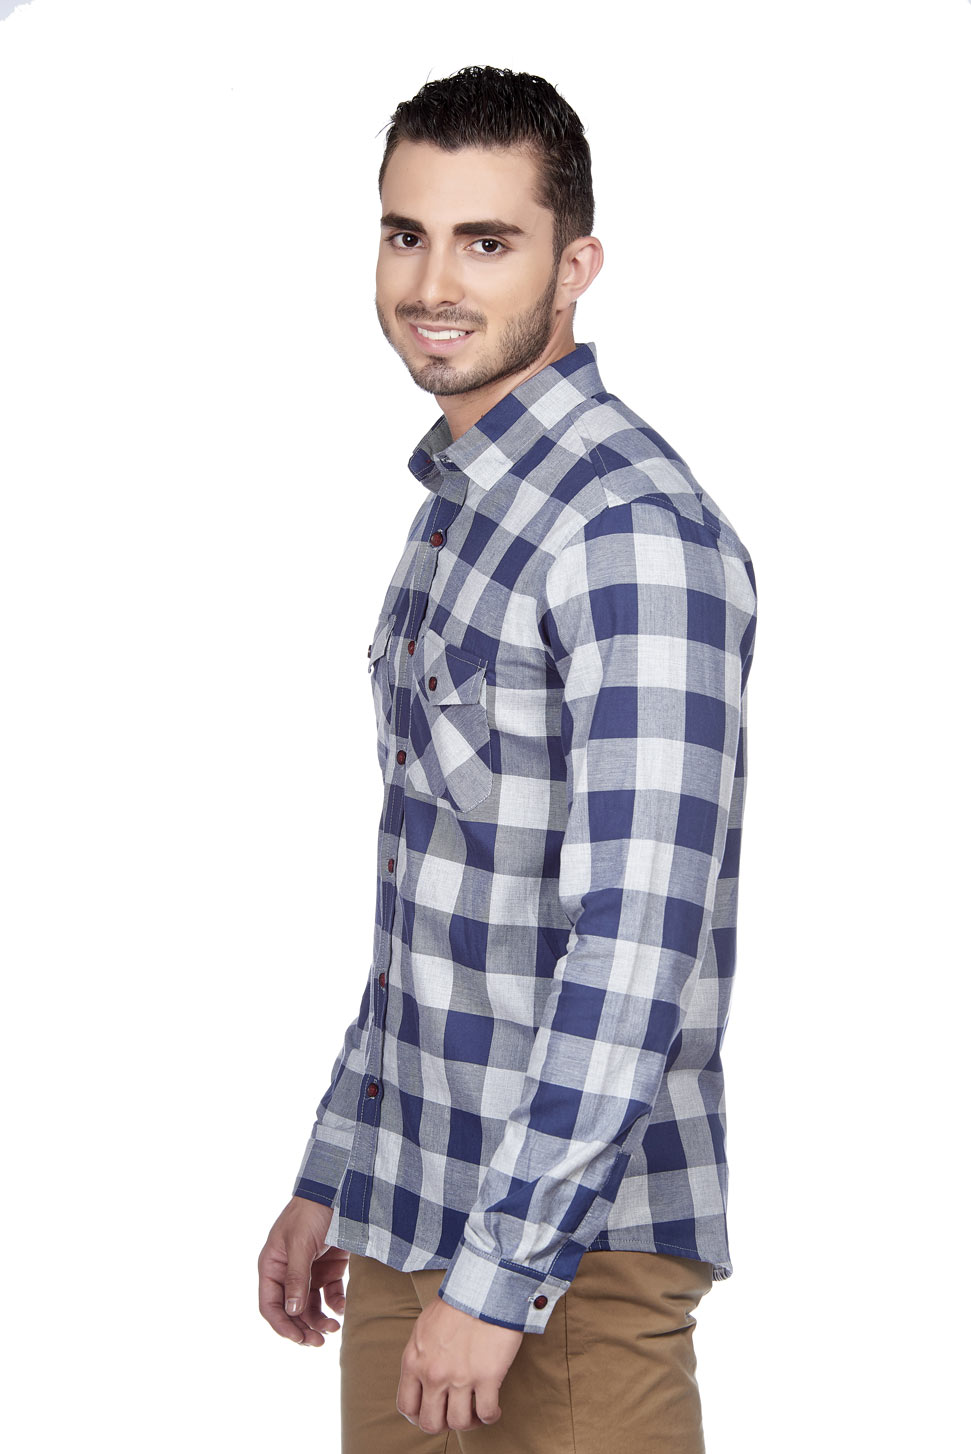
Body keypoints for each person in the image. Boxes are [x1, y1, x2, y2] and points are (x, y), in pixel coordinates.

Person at [258, 64, 758, 1453]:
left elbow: (636, 947)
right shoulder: (461, 509)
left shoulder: (628, 529)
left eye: (488, 240)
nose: (434, 283)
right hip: (410, 1216)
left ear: (574, 265)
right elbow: (437, 892)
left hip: (568, 1267)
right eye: (406, 233)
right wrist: (336, 1165)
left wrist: (502, 1275)